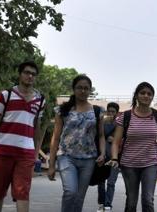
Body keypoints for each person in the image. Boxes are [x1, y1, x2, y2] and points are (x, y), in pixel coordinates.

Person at [0, 61, 46, 212]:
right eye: (26, 72)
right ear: (20, 74)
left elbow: (36, 128)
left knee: (23, 193)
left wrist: (36, 153)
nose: (30, 76)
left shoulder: (40, 100)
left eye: (33, 74)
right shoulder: (6, 95)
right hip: (2, 151)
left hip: (26, 154)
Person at [108, 82, 157, 212]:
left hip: (151, 164)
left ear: (152, 97)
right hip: (129, 164)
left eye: (149, 94)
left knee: (148, 201)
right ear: (136, 96)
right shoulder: (125, 116)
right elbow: (116, 142)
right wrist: (114, 158)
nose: (146, 96)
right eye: (142, 93)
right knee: (131, 202)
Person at [47, 74, 105, 212]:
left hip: (89, 159)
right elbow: (55, 137)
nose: (83, 91)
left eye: (86, 88)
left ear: (90, 90)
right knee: (70, 192)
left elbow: (101, 135)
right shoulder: (62, 110)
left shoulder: (97, 111)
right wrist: (51, 164)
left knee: (79, 197)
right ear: (73, 89)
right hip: (66, 157)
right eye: (79, 87)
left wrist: (103, 153)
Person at [98, 102, 120, 211]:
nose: (111, 113)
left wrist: (117, 141)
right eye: (109, 111)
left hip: (115, 158)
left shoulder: (120, 125)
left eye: (113, 111)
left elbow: (125, 140)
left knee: (111, 182)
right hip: (103, 156)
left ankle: (108, 204)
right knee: (101, 182)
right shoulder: (102, 122)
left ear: (117, 113)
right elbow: (98, 136)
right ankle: (101, 203)